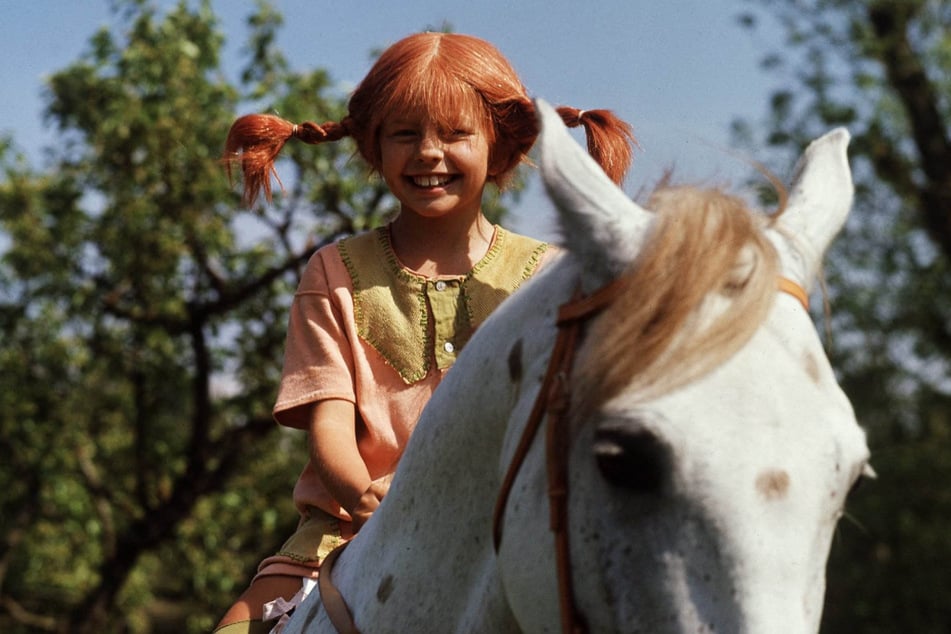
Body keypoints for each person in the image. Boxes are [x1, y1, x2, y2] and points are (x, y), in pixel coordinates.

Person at [213, 31, 636, 634]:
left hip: (497, 531)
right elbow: (331, 423)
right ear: (375, 147)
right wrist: (361, 494)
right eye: (404, 134)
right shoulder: (334, 271)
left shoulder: (547, 278)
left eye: (456, 134)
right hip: (347, 530)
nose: (428, 154)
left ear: (499, 145)